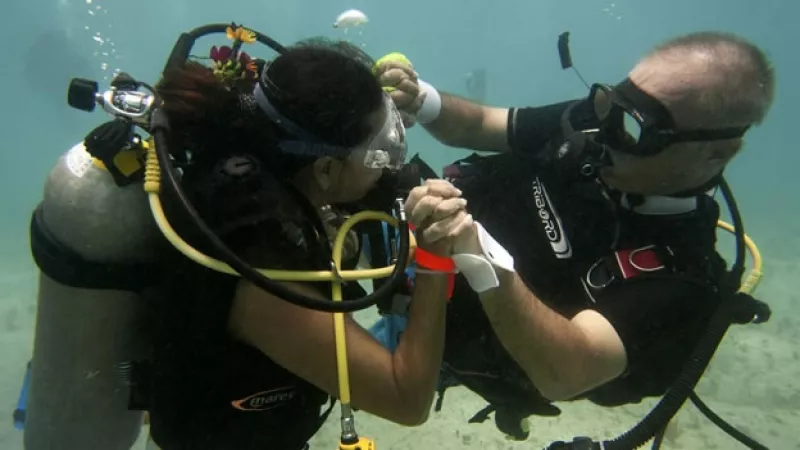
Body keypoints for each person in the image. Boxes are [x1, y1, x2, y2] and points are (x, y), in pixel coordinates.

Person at [372, 31, 775, 438]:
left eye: (634, 128)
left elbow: (563, 372)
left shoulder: (687, 280)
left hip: (443, 334)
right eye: (609, 103)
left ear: (717, 153)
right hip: (412, 234)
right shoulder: (594, 123)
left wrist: (479, 254)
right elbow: (480, 124)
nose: (602, 131)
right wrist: (421, 98)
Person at [142, 35, 474, 450]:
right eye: (376, 152)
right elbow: (406, 399)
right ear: (325, 169)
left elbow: (359, 187)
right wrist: (433, 257)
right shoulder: (257, 263)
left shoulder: (267, 156)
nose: (387, 165)